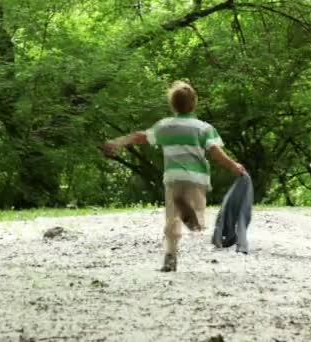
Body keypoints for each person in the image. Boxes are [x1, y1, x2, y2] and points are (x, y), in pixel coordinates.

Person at [101, 80, 245, 272]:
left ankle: (170, 255)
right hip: (196, 179)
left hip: (173, 178)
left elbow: (139, 136)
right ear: (194, 103)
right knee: (198, 221)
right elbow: (216, 153)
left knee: (172, 219)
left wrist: (115, 142)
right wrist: (233, 166)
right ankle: (192, 219)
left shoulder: (165, 127)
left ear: (172, 105)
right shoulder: (203, 128)